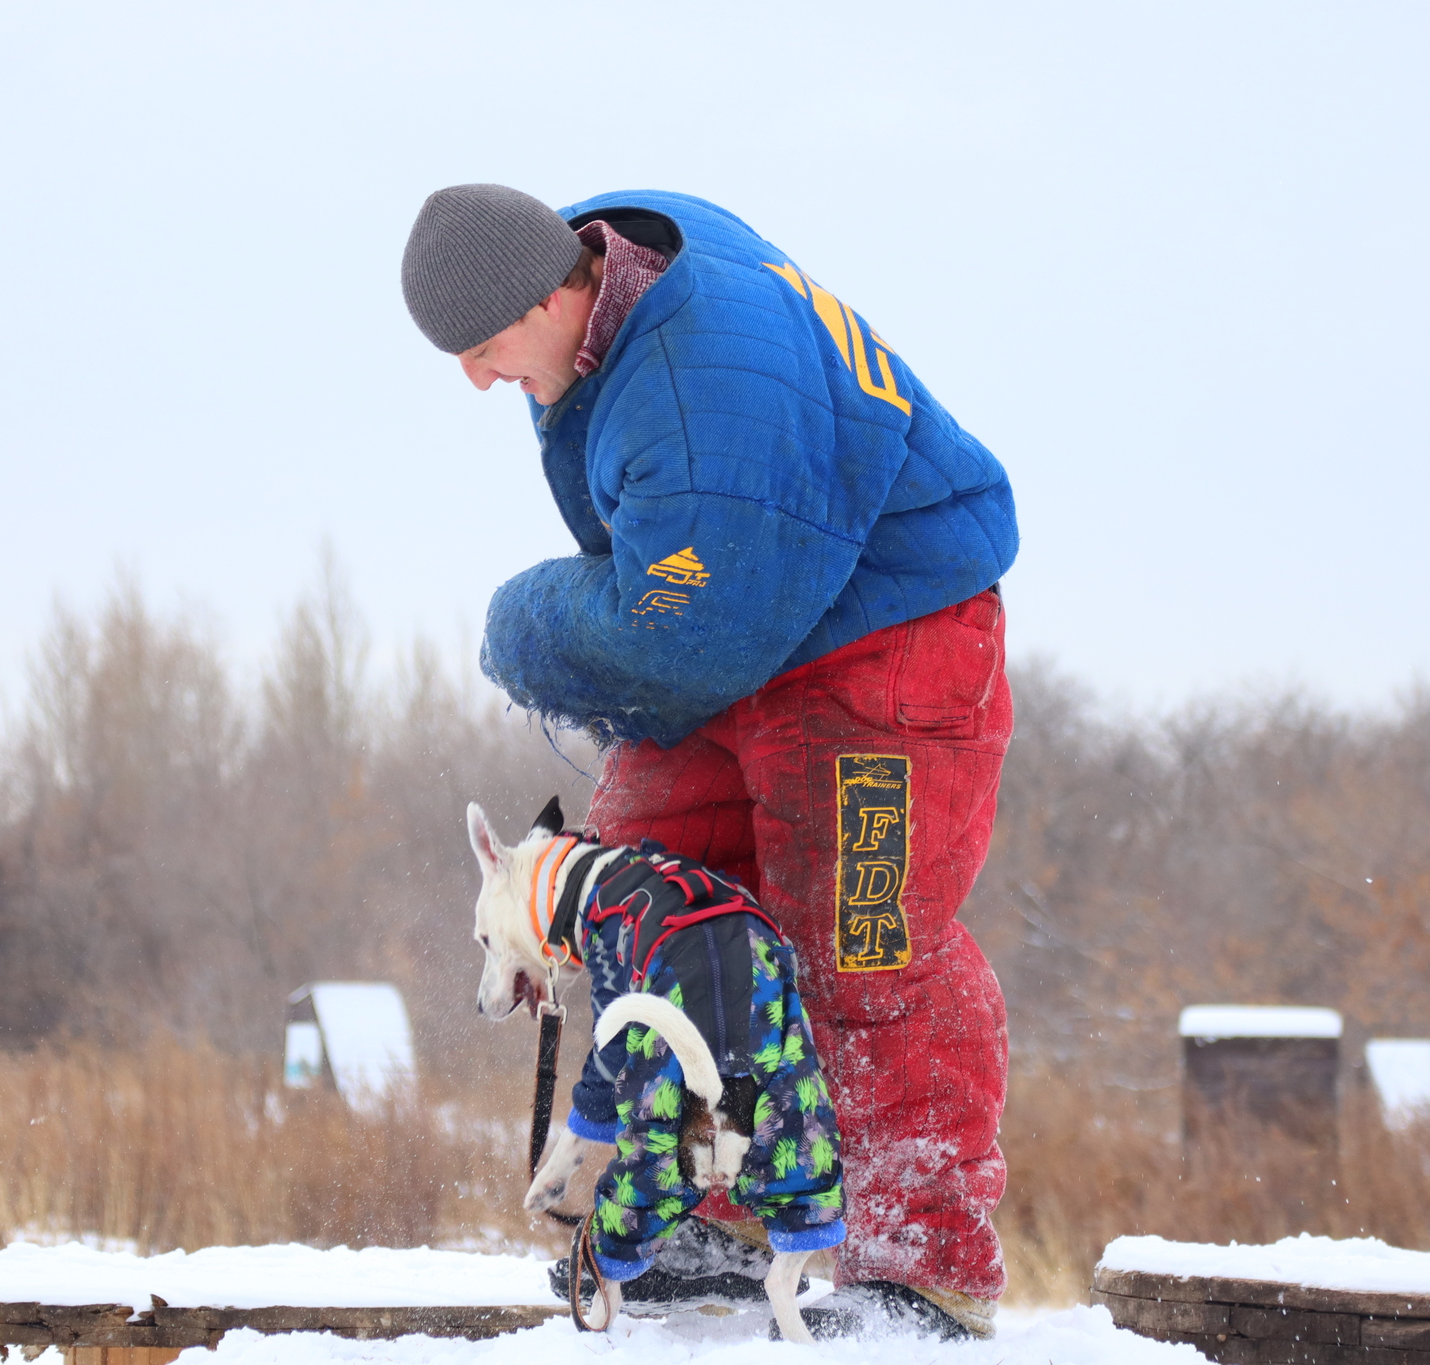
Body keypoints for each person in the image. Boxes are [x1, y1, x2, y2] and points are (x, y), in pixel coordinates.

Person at [401, 184, 1017, 1339]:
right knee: (655, 901)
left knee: (859, 947)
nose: (478, 379)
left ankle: (919, 1267)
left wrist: (522, 629)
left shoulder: (696, 393)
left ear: (550, 292)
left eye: (484, 349)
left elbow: (682, 636)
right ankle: (711, 1198)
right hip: (743, 610)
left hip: (883, 637)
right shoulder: (618, 276)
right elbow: (695, 609)